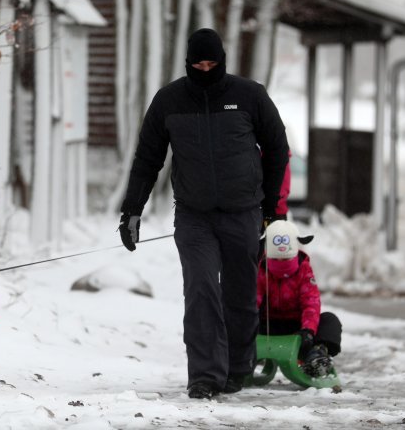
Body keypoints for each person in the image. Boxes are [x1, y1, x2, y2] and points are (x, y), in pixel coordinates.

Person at [118, 28, 290, 399]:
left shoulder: (249, 96)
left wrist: (272, 209)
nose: (206, 69)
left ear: (223, 61)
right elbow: (148, 159)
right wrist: (132, 210)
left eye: (212, 63)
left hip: (243, 212)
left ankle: (238, 367)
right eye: (199, 63)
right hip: (194, 216)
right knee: (200, 289)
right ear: (188, 63)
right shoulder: (170, 100)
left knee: (240, 294)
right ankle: (205, 375)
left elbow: (277, 149)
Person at [257, 220, 342, 377]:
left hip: (298, 328)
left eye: (285, 260)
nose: (281, 264)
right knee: (237, 319)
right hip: (268, 327)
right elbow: (253, 300)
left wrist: (308, 330)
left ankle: (316, 356)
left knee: (330, 321)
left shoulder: (304, 270)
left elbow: (311, 302)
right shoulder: (261, 270)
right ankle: (237, 357)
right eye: (276, 260)